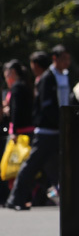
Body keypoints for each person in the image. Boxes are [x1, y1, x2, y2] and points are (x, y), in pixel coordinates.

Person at [6, 46, 70, 211]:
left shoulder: (63, 76)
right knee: (31, 165)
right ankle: (15, 199)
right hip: (47, 131)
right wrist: (60, 122)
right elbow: (47, 107)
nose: (67, 62)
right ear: (55, 58)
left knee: (57, 167)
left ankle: (69, 198)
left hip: (58, 129)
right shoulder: (47, 78)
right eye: (64, 58)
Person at [2, 59, 33, 206]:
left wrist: (13, 131)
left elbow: (16, 111)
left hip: (19, 132)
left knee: (15, 166)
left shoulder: (16, 88)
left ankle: (16, 197)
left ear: (12, 73)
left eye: (6, 75)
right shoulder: (25, 86)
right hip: (27, 130)